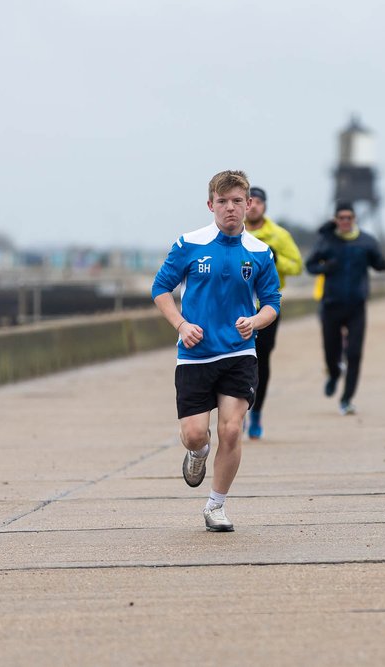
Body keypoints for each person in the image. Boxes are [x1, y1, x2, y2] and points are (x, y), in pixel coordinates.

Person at [151, 170, 281, 532]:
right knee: (195, 433)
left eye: (237, 201)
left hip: (239, 354)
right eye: (222, 202)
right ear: (211, 205)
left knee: (232, 430)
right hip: (195, 354)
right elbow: (160, 289)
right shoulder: (189, 244)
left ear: (248, 205)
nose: (230, 208)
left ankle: (216, 506)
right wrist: (181, 325)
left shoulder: (260, 252)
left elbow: (272, 302)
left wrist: (255, 322)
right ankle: (197, 453)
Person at [305, 202, 385, 415]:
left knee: (354, 353)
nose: (345, 221)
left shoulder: (366, 241)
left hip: (356, 306)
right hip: (331, 304)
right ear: (336, 220)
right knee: (330, 352)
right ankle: (334, 374)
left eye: (348, 218)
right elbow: (310, 266)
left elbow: (381, 264)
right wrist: (326, 268)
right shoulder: (327, 240)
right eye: (341, 218)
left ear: (354, 220)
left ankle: (346, 399)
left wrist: (380, 261)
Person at [243, 187, 303, 440]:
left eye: (259, 202)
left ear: (265, 206)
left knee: (261, 362)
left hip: (267, 306)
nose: (254, 206)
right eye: (250, 202)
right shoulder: (235, 232)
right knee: (237, 361)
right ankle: (238, 412)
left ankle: (256, 413)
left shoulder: (279, 235)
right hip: (237, 306)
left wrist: (277, 260)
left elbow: (297, 266)